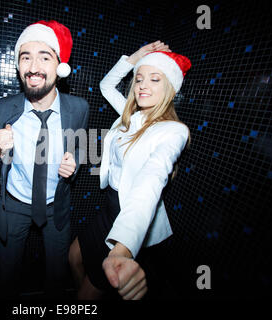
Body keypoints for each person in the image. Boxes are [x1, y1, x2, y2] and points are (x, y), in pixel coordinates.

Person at [69, 41, 191, 300]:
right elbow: (105, 85)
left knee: (92, 287)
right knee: (74, 256)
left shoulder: (173, 131)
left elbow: (151, 180)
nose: (143, 85)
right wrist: (137, 57)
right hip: (109, 205)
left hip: (131, 214)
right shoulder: (129, 115)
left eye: (155, 79)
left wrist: (122, 249)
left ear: (170, 87)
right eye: (139, 79)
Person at [0, 20, 90, 298]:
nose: (33, 67)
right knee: (7, 275)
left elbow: (82, 146)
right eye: (26, 57)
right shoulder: (3, 107)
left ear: (59, 65)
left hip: (56, 205)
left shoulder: (79, 107)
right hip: (15, 205)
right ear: (18, 65)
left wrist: (76, 162)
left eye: (44, 57)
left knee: (57, 276)